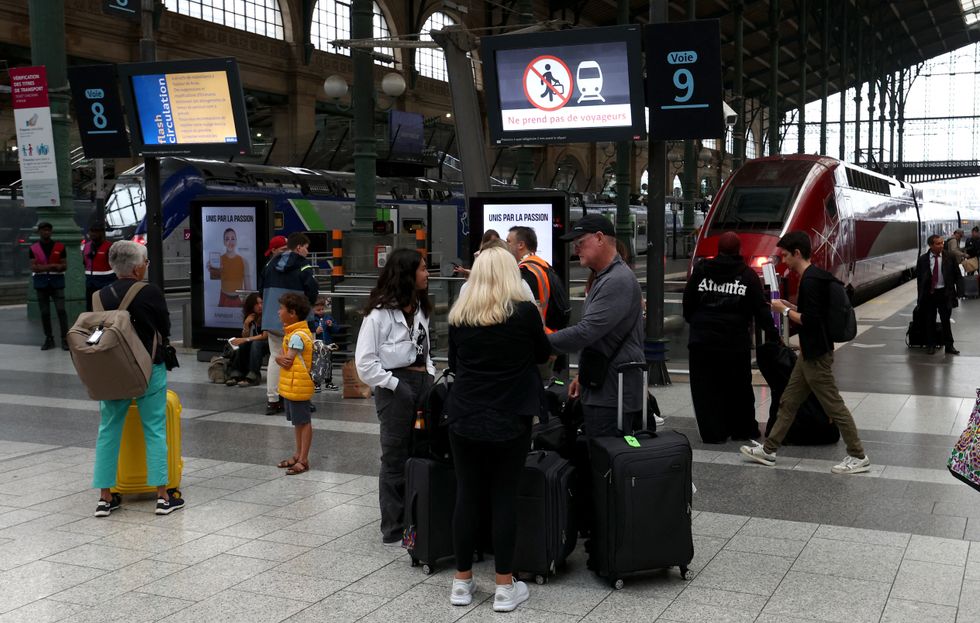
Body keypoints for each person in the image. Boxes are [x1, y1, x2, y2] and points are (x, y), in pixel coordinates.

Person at [445, 246, 549, 612]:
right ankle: (504, 587)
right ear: (510, 275)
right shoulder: (523, 313)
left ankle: (461, 582)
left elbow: (455, 363)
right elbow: (542, 354)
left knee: (467, 495)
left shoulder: (460, 314)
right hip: (511, 415)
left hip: (464, 416)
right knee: (505, 496)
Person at [741, 230, 871, 475]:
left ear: (797, 253)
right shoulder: (816, 276)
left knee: (834, 406)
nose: (784, 261)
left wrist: (783, 310)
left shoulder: (809, 280)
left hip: (816, 356)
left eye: (786, 256)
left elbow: (811, 321)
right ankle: (769, 450)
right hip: (809, 353)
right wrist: (792, 306)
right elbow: (815, 313)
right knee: (789, 401)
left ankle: (858, 455)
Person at [91, 240, 184, 517]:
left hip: (113, 372)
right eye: (145, 262)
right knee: (154, 428)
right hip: (148, 369)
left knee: (108, 430)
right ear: (137, 267)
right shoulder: (149, 292)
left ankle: (105, 498)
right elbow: (164, 327)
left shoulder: (99, 295)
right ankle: (163, 497)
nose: (146, 266)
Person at [354, 248, 435, 547]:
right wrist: (393, 384)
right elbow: (364, 362)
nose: (427, 274)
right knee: (394, 456)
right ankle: (393, 525)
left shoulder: (421, 307)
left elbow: (426, 348)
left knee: (421, 451)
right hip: (394, 388)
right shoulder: (379, 314)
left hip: (421, 383)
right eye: (423, 269)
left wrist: (429, 374)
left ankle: (417, 520)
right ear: (407, 273)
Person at [548, 215, 645, 438]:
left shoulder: (617, 280)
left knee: (605, 462)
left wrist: (537, 342)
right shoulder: (605, 277)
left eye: (580, 242)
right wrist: (582, 374)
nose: (575, 249)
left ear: (600, 238)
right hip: (604, 385)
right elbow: (601, 336)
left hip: (612, 393)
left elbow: (586, 331)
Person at [683, 231, 777, 443]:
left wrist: (696, 323)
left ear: (718, 250)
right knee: (739, 387)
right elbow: (760, 309)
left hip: (702, 341)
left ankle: (713, 432)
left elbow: (688, 302)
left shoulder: (701, 271)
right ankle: (742, 430)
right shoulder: (747, 275)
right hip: (734, 342)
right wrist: (773, 334)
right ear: (739, 251)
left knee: (705, 388)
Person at [260, 233, 318, 415]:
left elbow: (261, 289)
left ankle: (273, 400)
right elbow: (312, 292)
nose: (307, 251)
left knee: (275, 357)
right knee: (302, 358)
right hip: (298, 322)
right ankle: (301, 399)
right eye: (306, 247)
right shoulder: (304, 266)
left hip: (272, 318)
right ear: (299, 247)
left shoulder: (270, 265)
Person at [274, 292, 315, 475]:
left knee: (303, 422)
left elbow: (287, 360)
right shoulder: (294, 333)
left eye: (281, 309)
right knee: (298, 422)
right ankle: (298, 454)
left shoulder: (297, 336)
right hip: (294, 384)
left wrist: (277, 357)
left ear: (292, 313)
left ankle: (303, 459)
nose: (278, 312)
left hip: (299, 384)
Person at [506, 226, 568, 334]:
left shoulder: (525, 271)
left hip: (539, 334)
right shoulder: (542, 264)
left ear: (521, 245)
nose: (506, 246)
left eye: (508, 241)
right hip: (550, 331)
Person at [916, 234, 960, 356]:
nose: (942, 245)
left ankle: (949, 345)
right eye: (938, 243)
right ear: (931, 245)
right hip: (930, 294)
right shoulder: (923, 259)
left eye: (942, 243)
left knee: (946, 321)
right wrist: (920, 298)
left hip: (944, 294)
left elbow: (957, 275)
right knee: (929, 321)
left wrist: (959, 293)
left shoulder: (949, 257)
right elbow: (920, 280)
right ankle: (931, 345)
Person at [29, 222, 68, 351]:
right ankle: (49, 338)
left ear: (51, 232)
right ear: (39, 232)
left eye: (48, 230)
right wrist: (52, 266)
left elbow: (64, 265)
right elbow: (34, 267)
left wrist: (43, 267)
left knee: (61, 311)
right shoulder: (33, 248)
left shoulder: (60, 247)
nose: (46, 232)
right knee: (45, 312)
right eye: (43, 230)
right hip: (41, 283)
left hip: (57, 283)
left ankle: (64, 339)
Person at [226, 293, 267, 387]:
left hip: (268, 342)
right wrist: (246, 324)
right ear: (251, 306)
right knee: (244, 345)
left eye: (261, 303)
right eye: (257, 304)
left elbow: (265, 336)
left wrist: (246, 339)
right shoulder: (251, 316)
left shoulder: (266, 316)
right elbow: (245, 335)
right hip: (256, 343)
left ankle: (254, 375)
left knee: (255, 343)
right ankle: (237, 373)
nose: (260, 306)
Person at [210, 227, 250, 307]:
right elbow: (214, 278)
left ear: (236, 241)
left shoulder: (243, 261)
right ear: (224, 242)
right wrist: (213, 270)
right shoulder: (219, 260)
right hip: (224, 298)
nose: (230, 242)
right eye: (227, 239)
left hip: (239, 299)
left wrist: (248, 303)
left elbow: (247, 286)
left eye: (233, 238)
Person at [82, 222, 115, 312]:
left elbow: (114, 265)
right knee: (90, 308)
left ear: (102, 233)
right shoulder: (87, 246)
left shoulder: (109, 247)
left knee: (105, 308)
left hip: (105, 283)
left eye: (96, 231)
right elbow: (85, 262)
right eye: (91, 231)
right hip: (90, 283)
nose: (93, 234)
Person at [309, 295, 339, 392]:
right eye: (318, 310)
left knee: (328, 364)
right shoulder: (312, 320)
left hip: (327, 346)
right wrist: (315, 331)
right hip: (317, 347)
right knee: (317, 365)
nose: (321, 311)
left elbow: (336, 329)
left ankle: (328, 381)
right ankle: (316, 382)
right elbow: (308, 332)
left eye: (322, 309)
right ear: (312, 309)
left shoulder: (328, 318)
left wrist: (331, 325)